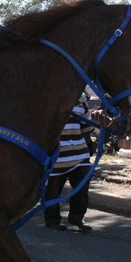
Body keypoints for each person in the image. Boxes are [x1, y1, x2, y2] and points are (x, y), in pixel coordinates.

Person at [44, 94, 96, 232]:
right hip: (57, 154)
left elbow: (85, 125)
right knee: (53, 190)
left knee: (82, 187)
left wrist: (89, 143)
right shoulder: (49, 95)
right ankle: (52, 219)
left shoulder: (81, 99)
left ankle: (77, 218)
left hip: (80, 153)